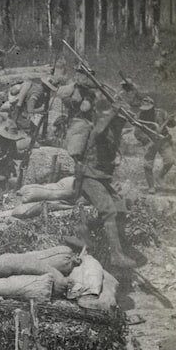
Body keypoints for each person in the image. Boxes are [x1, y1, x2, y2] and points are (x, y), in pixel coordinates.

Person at [67, 95, 136, 270]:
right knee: (109, 210)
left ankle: (83, 228)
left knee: (120, 209)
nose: (121, 124)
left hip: (101, 177)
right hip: (89, 176)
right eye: (119, 120)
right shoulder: (100, 129)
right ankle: (116, 255)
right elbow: (97, 132)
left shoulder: (115, 132)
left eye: (123, 121)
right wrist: (113, 112)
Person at [134, 96, 176, 193]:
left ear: (153, 106)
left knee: (170, 161)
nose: (146, 111)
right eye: (144, 108)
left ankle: (160, 176)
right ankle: (151, 186)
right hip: (150, 141)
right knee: (147, 165)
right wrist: (146, 141)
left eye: (148, 108)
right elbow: (137, 132)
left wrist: (171, 120)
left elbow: (172, 125)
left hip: (163, 140)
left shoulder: (161, 112)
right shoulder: (139, 116)